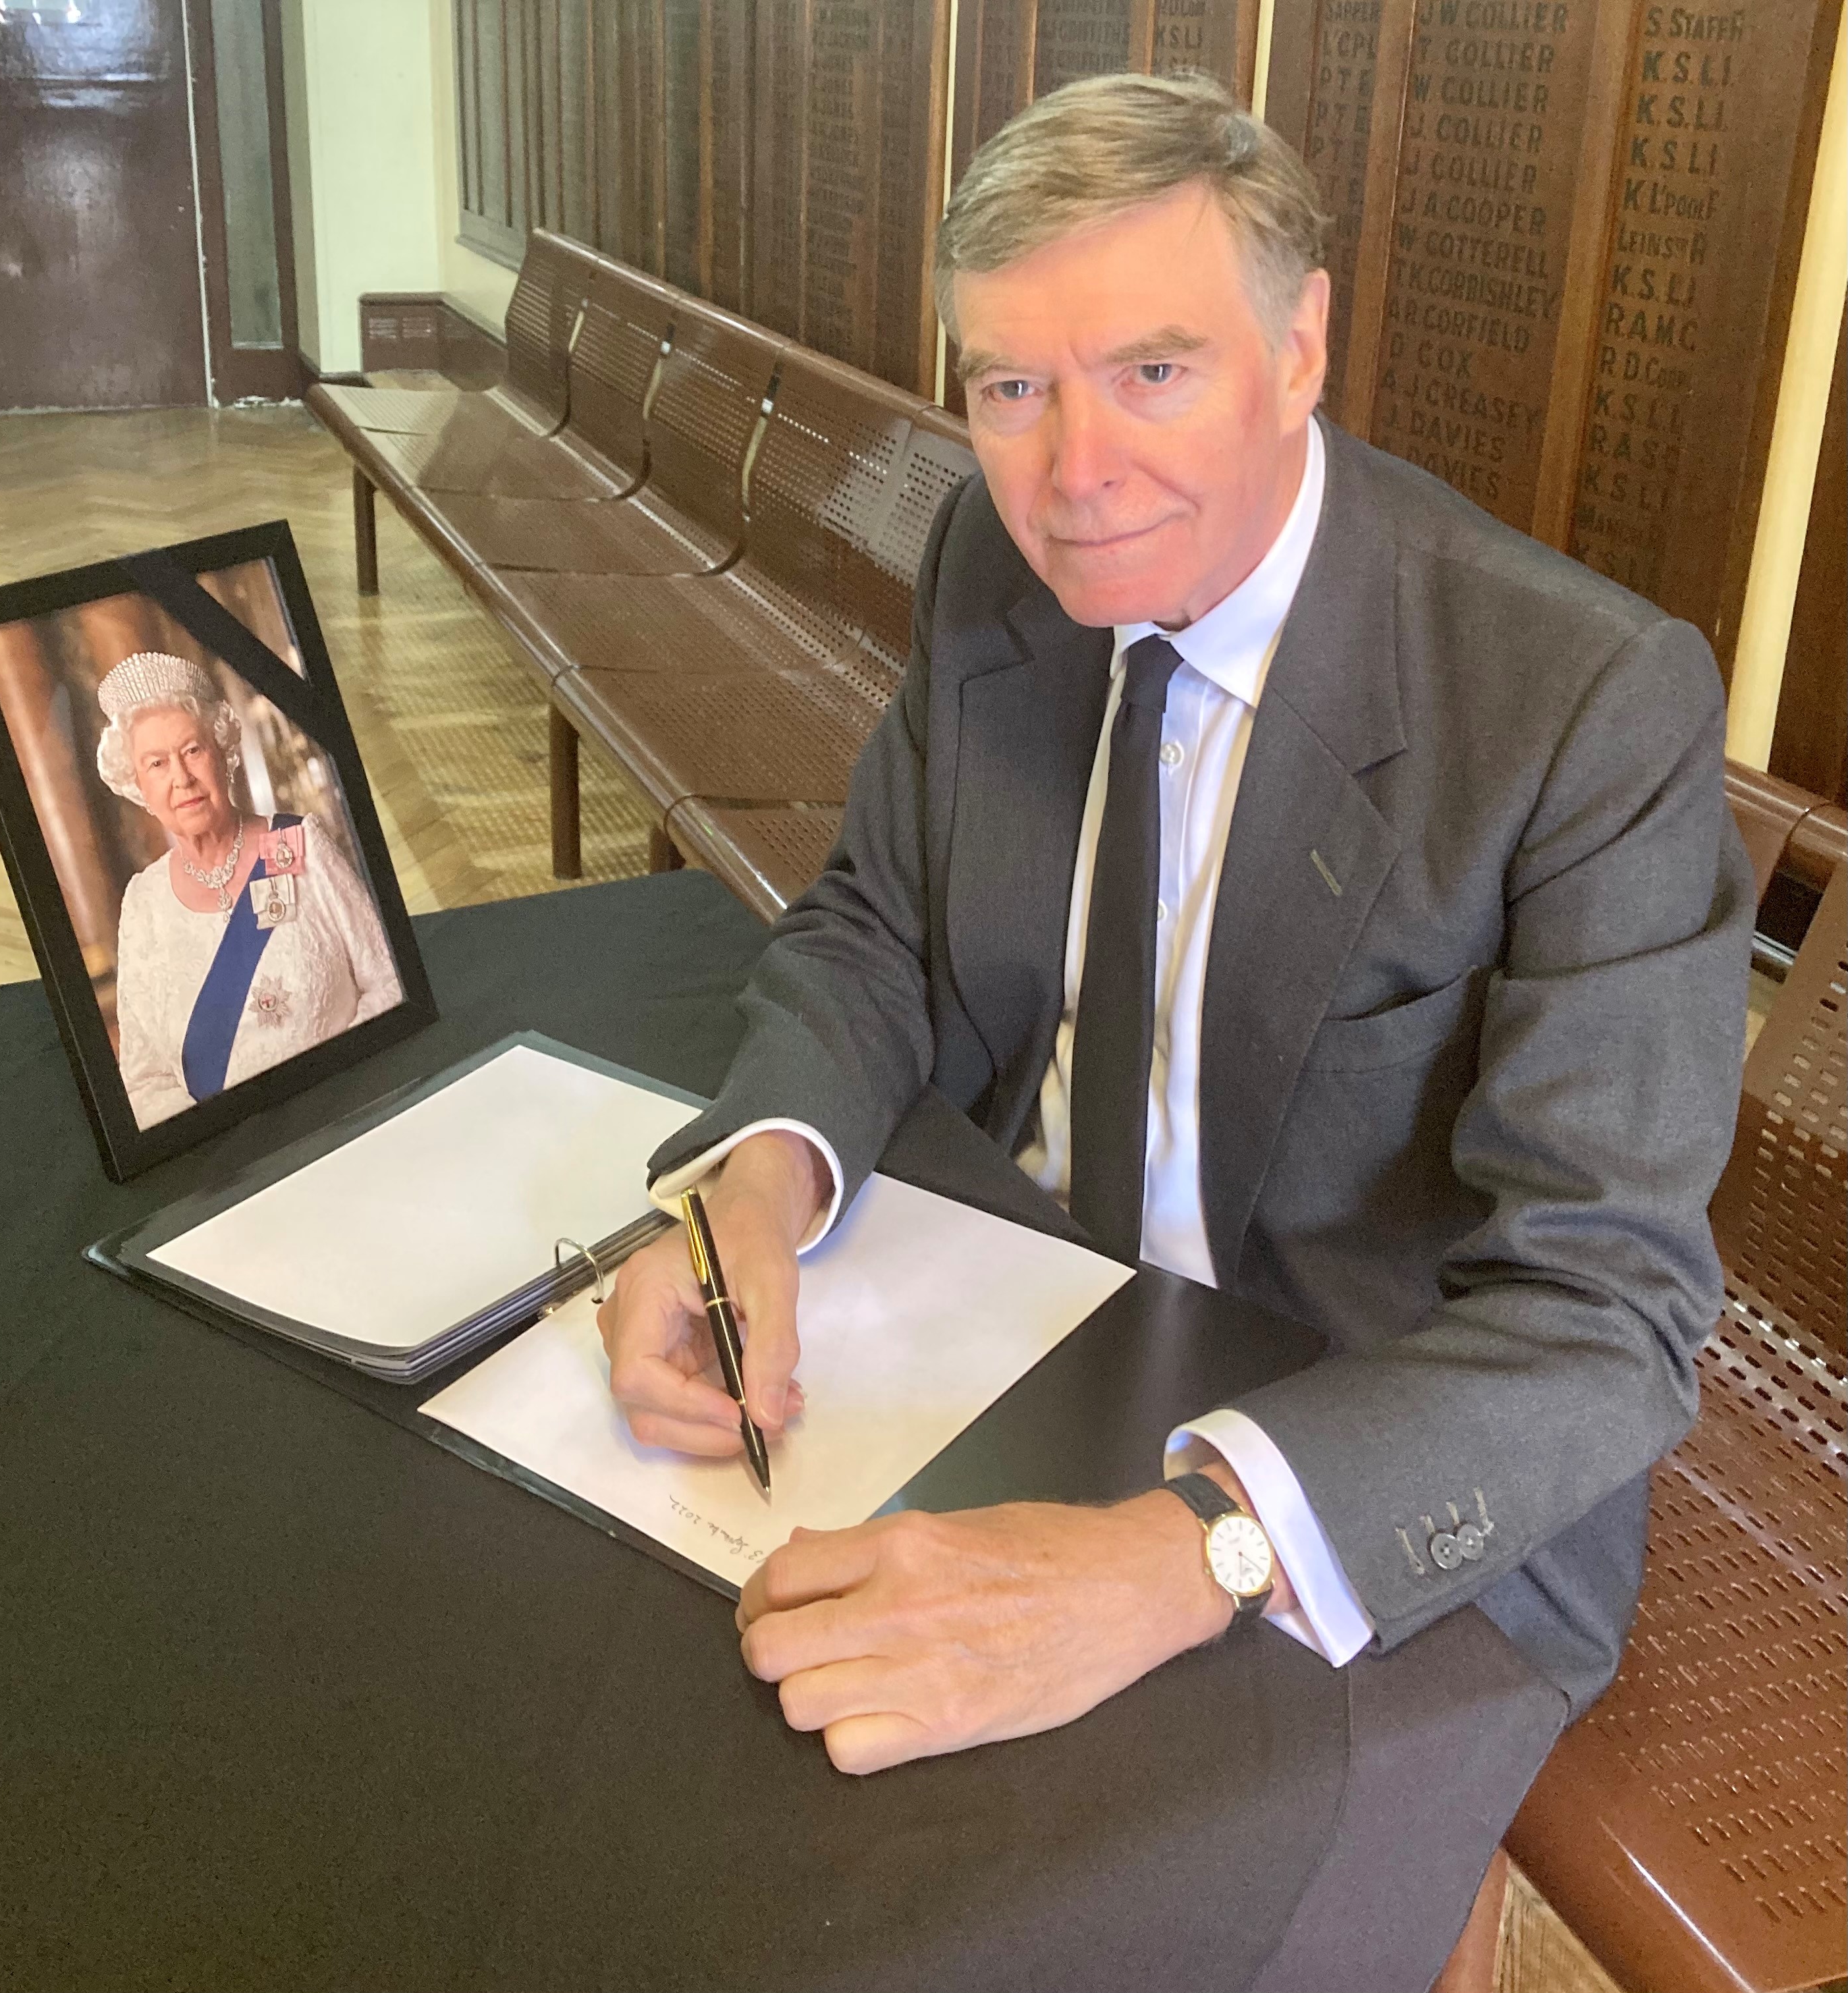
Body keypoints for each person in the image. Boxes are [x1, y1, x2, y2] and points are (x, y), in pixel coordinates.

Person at [597, 71, 1753, 1986]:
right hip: (1019, 1322)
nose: (1069, 473)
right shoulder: (996, 564)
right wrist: (748, 1191)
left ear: (1299, 350)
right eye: (1009, 388)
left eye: (1150, 371)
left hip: (1353, 1459)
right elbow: (876, 927)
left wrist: (1179, 1554)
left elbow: (1604, 1324)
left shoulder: (1580, 708)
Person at [95, 651, 402, 1129]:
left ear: (224, 753)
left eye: (193, 751)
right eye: (156, 764)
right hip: (230, 1158)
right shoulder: (142, 903)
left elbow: (389, 981)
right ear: (138, 785)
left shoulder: (301, 844)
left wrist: (335, 1099)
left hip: (349, 1117)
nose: (181, 778)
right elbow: (145, 1081)